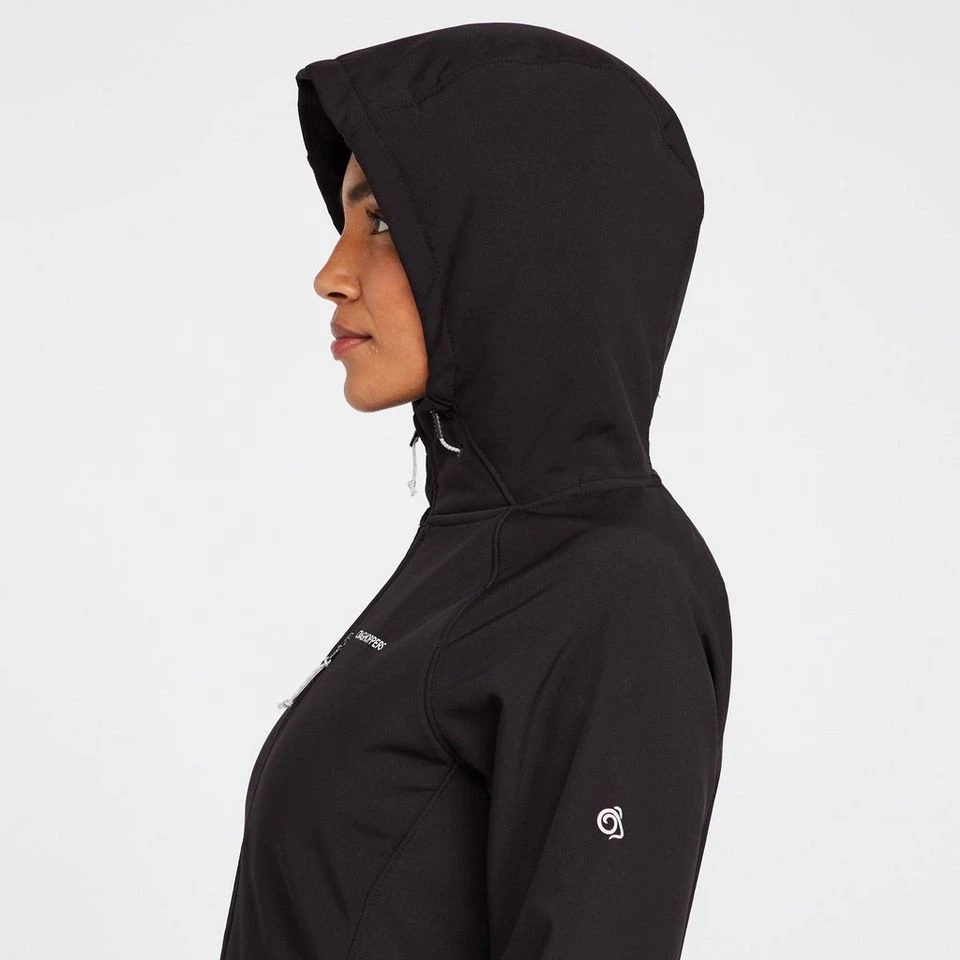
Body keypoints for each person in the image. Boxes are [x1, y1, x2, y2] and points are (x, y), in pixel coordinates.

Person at [219, 21, 732, 960]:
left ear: (518, 243)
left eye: (380, 222)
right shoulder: (471, 545)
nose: (332, 274)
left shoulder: (617, 587)